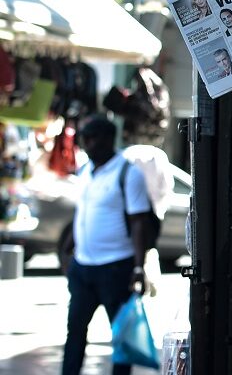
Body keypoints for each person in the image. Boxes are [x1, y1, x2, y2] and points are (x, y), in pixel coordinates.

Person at [63, 115, 150, 375]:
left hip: (116, 267)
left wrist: (138, 266)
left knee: (121, 335)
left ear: (109, 139)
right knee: (75, 330)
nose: (87, 143)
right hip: (83, 267)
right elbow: (83, 213)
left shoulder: (128, 173)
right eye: (84, 138)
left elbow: (139, 223)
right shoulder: (85, 170)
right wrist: (67, 252)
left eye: (92, 138)